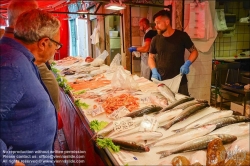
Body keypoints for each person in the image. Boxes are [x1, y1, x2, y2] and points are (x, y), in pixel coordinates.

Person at [0, 9, 61, 166]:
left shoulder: (23, 59)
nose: (56, 50)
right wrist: (9, 161)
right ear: (43, 43)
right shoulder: (12, 65)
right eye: (57, 45)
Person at [5, 0, 60, 111]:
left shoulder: (23, 53)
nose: (39, 21)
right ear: (22, 19)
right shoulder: (11, 63)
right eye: (34, 15)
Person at [148, 10, 198, 96]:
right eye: (155, 24)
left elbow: (194, 51)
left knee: (182, 106)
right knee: (164, 106)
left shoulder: (182, 36)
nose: (156, 26)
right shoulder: (155, 39)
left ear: (167, 22)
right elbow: (151, 57)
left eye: (158, 23)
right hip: (161, 81)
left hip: (179, 80)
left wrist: (187, 64)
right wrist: (154, 70)